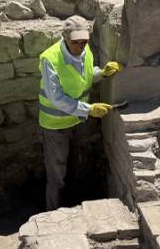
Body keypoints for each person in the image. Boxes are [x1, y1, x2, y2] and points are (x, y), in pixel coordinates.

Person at [39, 15, 122, 210]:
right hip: (55, 127)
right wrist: (89, 109)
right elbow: (56, 98)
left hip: (77, 122)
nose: (80, 47)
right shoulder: (50, 58)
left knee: (73, 168)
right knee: (57, 176)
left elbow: (83, 75)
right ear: (65, 37)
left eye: (84, 42)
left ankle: (72, 207)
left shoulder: (86, 51)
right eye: (75, 43)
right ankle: (53, 214)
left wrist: (101, 74)